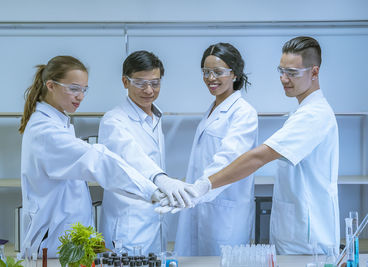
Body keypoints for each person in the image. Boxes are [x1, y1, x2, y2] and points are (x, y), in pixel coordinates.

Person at [164, 36, 340, 255]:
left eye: (292, 73)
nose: (284, 79)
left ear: (314, 72)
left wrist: (202, 186)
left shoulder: (314, 115)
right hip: (295, 228)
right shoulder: (302, 112)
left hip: (307, 234)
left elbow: (258, 157)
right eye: (281, 71)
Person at [18, 55, 166, 258]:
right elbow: (97, 161)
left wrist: (92, 242)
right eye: (73, 88)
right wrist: (153, 188)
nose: (80, 96)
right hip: (54, 244)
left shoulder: (59, 123)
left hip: (69, 241)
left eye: (84, 89)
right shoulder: (46, 132)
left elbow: (73, 193)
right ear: (51, 85)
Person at [98, 50, 195, 254]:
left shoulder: (155, 115)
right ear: (125, 82)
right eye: (141, 83)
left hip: (155, 220)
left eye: (155, 83)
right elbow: (132, 157)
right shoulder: (114, 120)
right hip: (128, 224)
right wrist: (161, 179)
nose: (149, 90)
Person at [174, 43, 258, 256]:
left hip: (224, 211)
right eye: (206, 72)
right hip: (201, 203)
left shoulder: (243, 113)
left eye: (218, 72)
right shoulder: (213, 108)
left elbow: (228, 158)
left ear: (235, 74)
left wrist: (199, 189)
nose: (211, 78)